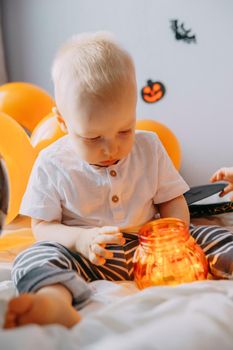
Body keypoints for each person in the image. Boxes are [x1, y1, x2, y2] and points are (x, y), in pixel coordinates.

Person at [3, 31, 192, 329]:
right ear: (63, 123)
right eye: (93, 137)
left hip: (146, 248)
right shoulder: (52, 163)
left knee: (210, 237)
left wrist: (176, 235)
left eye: (124, 130)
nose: (111, 148)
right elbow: (41, 227)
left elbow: (171, 199)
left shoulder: (150, 147)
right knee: (34, 258)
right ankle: (54, 300)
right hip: (85, 256)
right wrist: (79, 239)